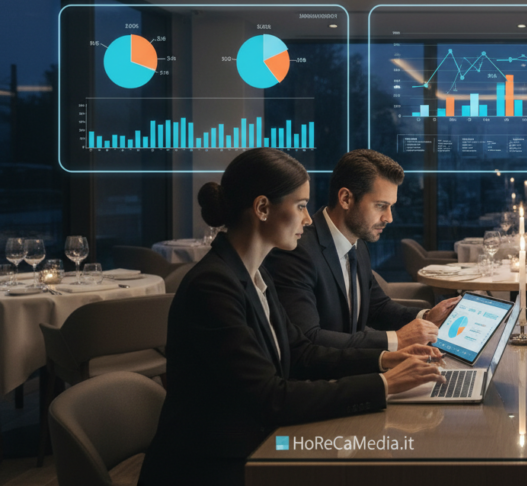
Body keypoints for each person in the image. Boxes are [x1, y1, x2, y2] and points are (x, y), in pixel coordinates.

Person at [139, 149, 444, 486]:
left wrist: (387, 359)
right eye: (300, 206)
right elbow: (271, 398)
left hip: (256, 440)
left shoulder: (254, 274)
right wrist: (385, 384)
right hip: (214, 465)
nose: (309, 218)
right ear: (262, 208)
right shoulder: (213, 286)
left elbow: (302, 351)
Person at [265, 149, 459, 351]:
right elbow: (308, 338)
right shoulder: (297, 251)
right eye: (381, 206)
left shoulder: (357, 245)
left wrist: (427, 317)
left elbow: (378, 307)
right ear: (346, 199)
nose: (389, 218)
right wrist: (396, 341)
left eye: (391, 206)